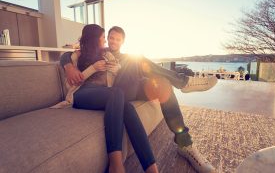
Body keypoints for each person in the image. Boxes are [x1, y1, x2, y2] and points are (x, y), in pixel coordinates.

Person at [60, 26, 217, 173]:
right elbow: (68, 55)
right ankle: (183, 81)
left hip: (127, 86)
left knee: (162, 84)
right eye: (109, 38)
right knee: (137, 61)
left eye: (117, 39)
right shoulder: (95, 52)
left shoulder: (113, 55)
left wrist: (119, 69)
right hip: (114, 90)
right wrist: (68, 65)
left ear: (123, 41)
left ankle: (181, 146)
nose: (110, 41)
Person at [62, 24, 159, 173]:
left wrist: (117, 70)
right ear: (94, 39)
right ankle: (116, 165)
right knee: (116, 93)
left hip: (103, 93)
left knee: (126, 105)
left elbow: (120, 72)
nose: (106, 41)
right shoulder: (80, 54)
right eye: (103, 37)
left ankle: (151, 168)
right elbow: (66, 61)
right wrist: (91, 67)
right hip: (81, 93)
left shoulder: (107, 55)